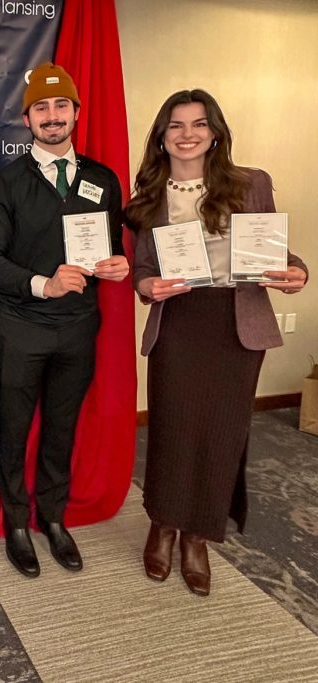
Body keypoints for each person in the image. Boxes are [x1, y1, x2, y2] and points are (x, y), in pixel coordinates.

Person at [126, 89, 308, 596]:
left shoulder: (252, 183)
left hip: (235, 322)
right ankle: (162, 524)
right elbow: (143, 269)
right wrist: (147, 287)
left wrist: (297, 272)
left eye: (198, 125)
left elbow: (277, 251)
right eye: (176, 126)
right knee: (174, 427)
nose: (187, 134)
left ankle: (199, 536)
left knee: (222, 432)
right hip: (180, 322)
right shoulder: (149, 192)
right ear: (161, 137)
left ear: (215, 132)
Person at [0, 63, 129, 578]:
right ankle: (17, 523)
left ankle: (54, 517)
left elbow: (108, 248)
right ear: (27, 119)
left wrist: (118, 265)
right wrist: (43, 283)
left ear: (76, 113)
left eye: (60, 105)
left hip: (79, 325)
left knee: (62, 427)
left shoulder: (102, 179)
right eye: (40, 108)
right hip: (22, 326)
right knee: (16, 428)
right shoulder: (7, 183)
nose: (51, 116)